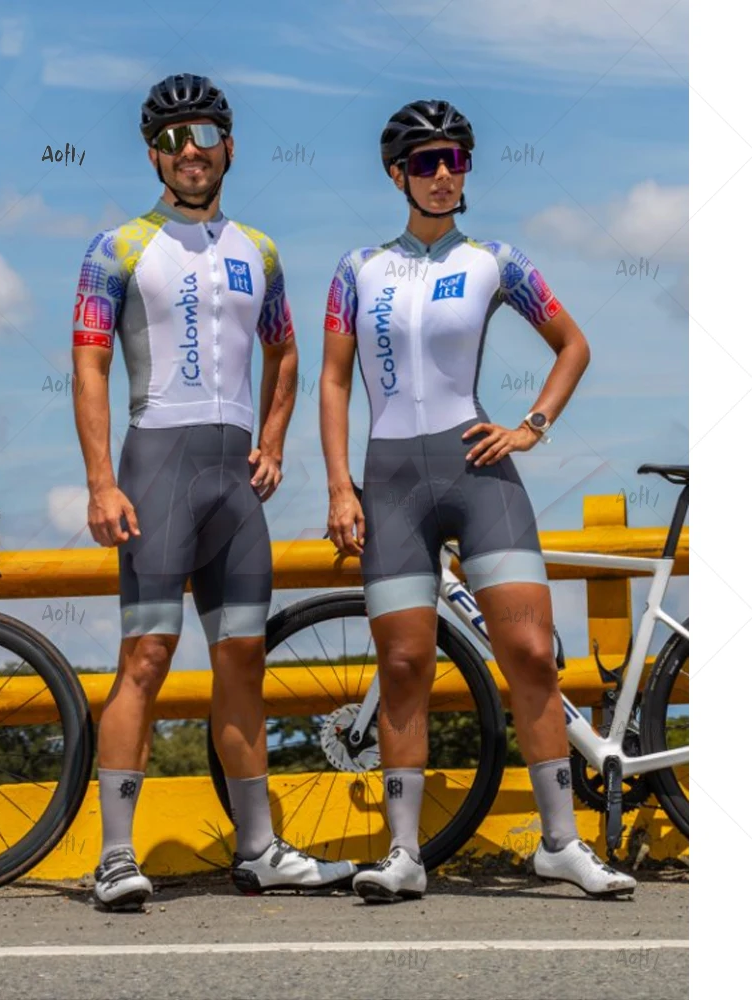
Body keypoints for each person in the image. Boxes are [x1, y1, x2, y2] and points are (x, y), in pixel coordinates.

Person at [319, 99, 637, 902]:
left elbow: (573, 345)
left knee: (529, 652)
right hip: (391, 481)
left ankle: (560, 843)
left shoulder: (497, 260)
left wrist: (532, 427)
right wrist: (339, 485)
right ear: (397, 175)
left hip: (477, 471)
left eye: (454, 159)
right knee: (403, 666)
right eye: (424, 162)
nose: (441, 174)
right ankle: (403, 855)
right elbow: (333, 380)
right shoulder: (357, 268)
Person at [72, 73, 356, 909]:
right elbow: (88, 365)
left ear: (229, 146)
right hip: (154, 473)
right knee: (146, 659)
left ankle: (259, 848)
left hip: (235, 488)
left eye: (202, 135)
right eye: (170, 139)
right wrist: (100, 482)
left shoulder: (259, 249)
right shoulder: (116, 247)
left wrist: (273, 441)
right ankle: (115, 857)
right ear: (152, 155)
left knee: (244, 661)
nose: (188, 151)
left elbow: (286, 351)